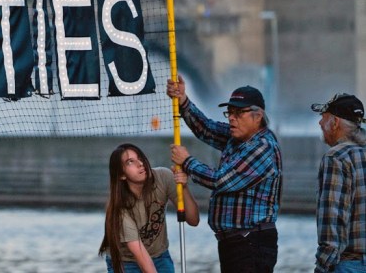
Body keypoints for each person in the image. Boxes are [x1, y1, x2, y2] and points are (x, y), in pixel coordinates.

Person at [166, 76, 282, 273]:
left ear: (258, 116)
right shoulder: (238, 138)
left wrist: (187, 162)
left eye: (238, 113)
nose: (231, 118)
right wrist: (183, 100)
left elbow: (221, 180)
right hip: (235, 242)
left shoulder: (262, 147)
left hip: (251, 242)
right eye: (230, 112)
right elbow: (206, 128)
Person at [98, 143, 200, 273]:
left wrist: (184, 187)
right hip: (125, 261)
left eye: (140, 158)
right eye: (130, 162)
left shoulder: (163, 177)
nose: (140, 163)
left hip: (160, 255)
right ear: (121, 175)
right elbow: (142, 256)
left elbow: (194, 220)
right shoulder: (119, 210)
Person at [311, 93, 366, 273]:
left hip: (349, 264)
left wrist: (322, 266)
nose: (320, 123)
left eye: (323, 118)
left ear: (335, 123)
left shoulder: (336, 158)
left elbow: (332, 219)